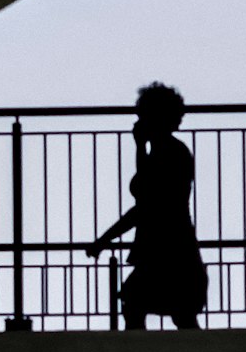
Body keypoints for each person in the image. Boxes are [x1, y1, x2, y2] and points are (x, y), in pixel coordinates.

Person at [86, 82, 207, 329]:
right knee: (175, 313)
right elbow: (146, 198)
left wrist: (104, 240)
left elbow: (147, 203)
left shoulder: (170, 154)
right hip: (170, 247)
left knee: (139, 303)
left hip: (168, 248)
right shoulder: (166, 152)